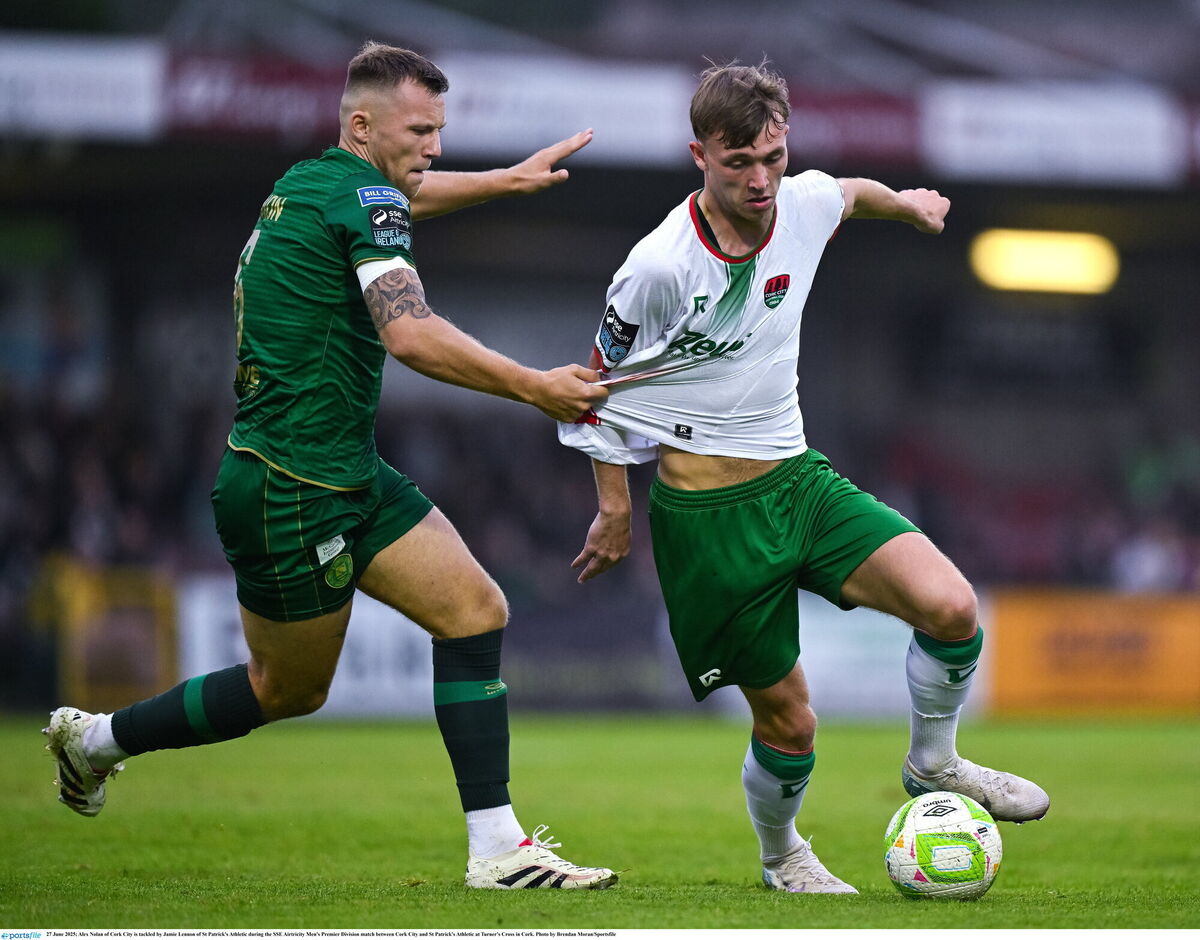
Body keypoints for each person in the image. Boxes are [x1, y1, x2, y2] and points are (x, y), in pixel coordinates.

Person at [44, 41, 617, 891]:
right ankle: (95, 740)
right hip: (291, 485)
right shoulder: (365, 195)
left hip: (341, 468)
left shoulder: (314, 183)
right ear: (362, 126)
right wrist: (535, 387)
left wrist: (504, 180)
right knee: (286, 689)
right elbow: (411, 334)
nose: (435, 147)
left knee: (474, 611)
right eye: (420, 131)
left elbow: (401, 199)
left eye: (439, 130)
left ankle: (499, 850)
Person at [559, 60, 1049, 894]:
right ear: (699, 155)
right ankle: (783, 855)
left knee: (952, 607)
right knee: (790, 721)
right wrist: (614, 508)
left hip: (800, 482)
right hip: (709, 519)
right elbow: (590, 388)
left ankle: (934, 763)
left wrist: (909, 204)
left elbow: (849, 192)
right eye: (738, 162)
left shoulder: (804, 202)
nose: (761, 180)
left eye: (773, 158)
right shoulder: (658, 267)